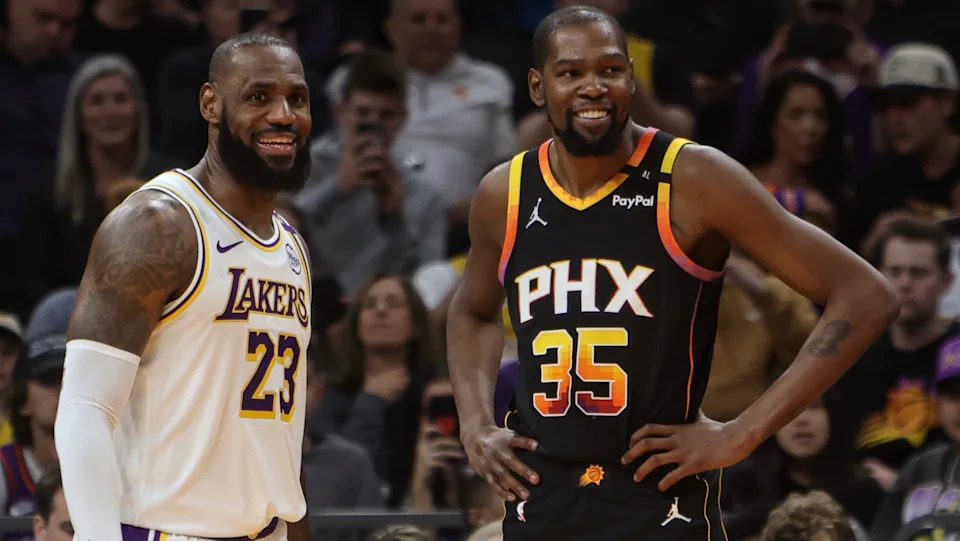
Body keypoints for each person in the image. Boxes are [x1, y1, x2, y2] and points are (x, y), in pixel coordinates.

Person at [445, 6, 898, 541]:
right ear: (538, 88)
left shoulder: (694, 176)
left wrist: (743, 433)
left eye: (610, 70)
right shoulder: (505, 192)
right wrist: (476, 425)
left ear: (631, 80)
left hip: (657, 505)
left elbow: (865, 295)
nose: (593, 86)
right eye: (571, 73)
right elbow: (471, 311)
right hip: (540, 501)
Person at [53, 32, 314, 541]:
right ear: (211, 104)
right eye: (258, 96)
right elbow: (85, 407)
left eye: (297, 98)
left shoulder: (293, 246)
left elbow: (277, 435)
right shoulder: (158, 224)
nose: (283, 115)